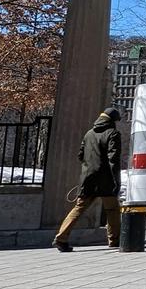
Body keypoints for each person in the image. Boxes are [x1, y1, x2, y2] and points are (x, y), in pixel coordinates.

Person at [53, 107, 123, 252]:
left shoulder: (89, 134)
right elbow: (113, 159)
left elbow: (80, 155)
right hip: (106, 179)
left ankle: (61, 238)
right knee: (112, 210)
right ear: (112, 121)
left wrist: (89, 166)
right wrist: (116, 180)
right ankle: (114, 240)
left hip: (88, 178)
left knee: (79, 208)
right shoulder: (113, 134)